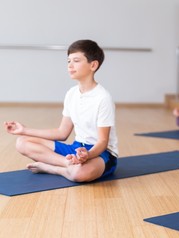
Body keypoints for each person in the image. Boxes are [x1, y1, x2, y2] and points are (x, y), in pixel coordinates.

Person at [4, 39, 118, 182]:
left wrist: (87, 155)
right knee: (22, 142)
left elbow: (102, 142)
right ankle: (68, 165)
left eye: (76, 60)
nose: (70, 65)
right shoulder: (71, 94)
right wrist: (23, 130)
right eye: (68, 61)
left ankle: (51, 167)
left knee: (79, 174)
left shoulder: (103, 98)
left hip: (101, 153)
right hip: (76, 149)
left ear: (93, 65)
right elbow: (62, 133)